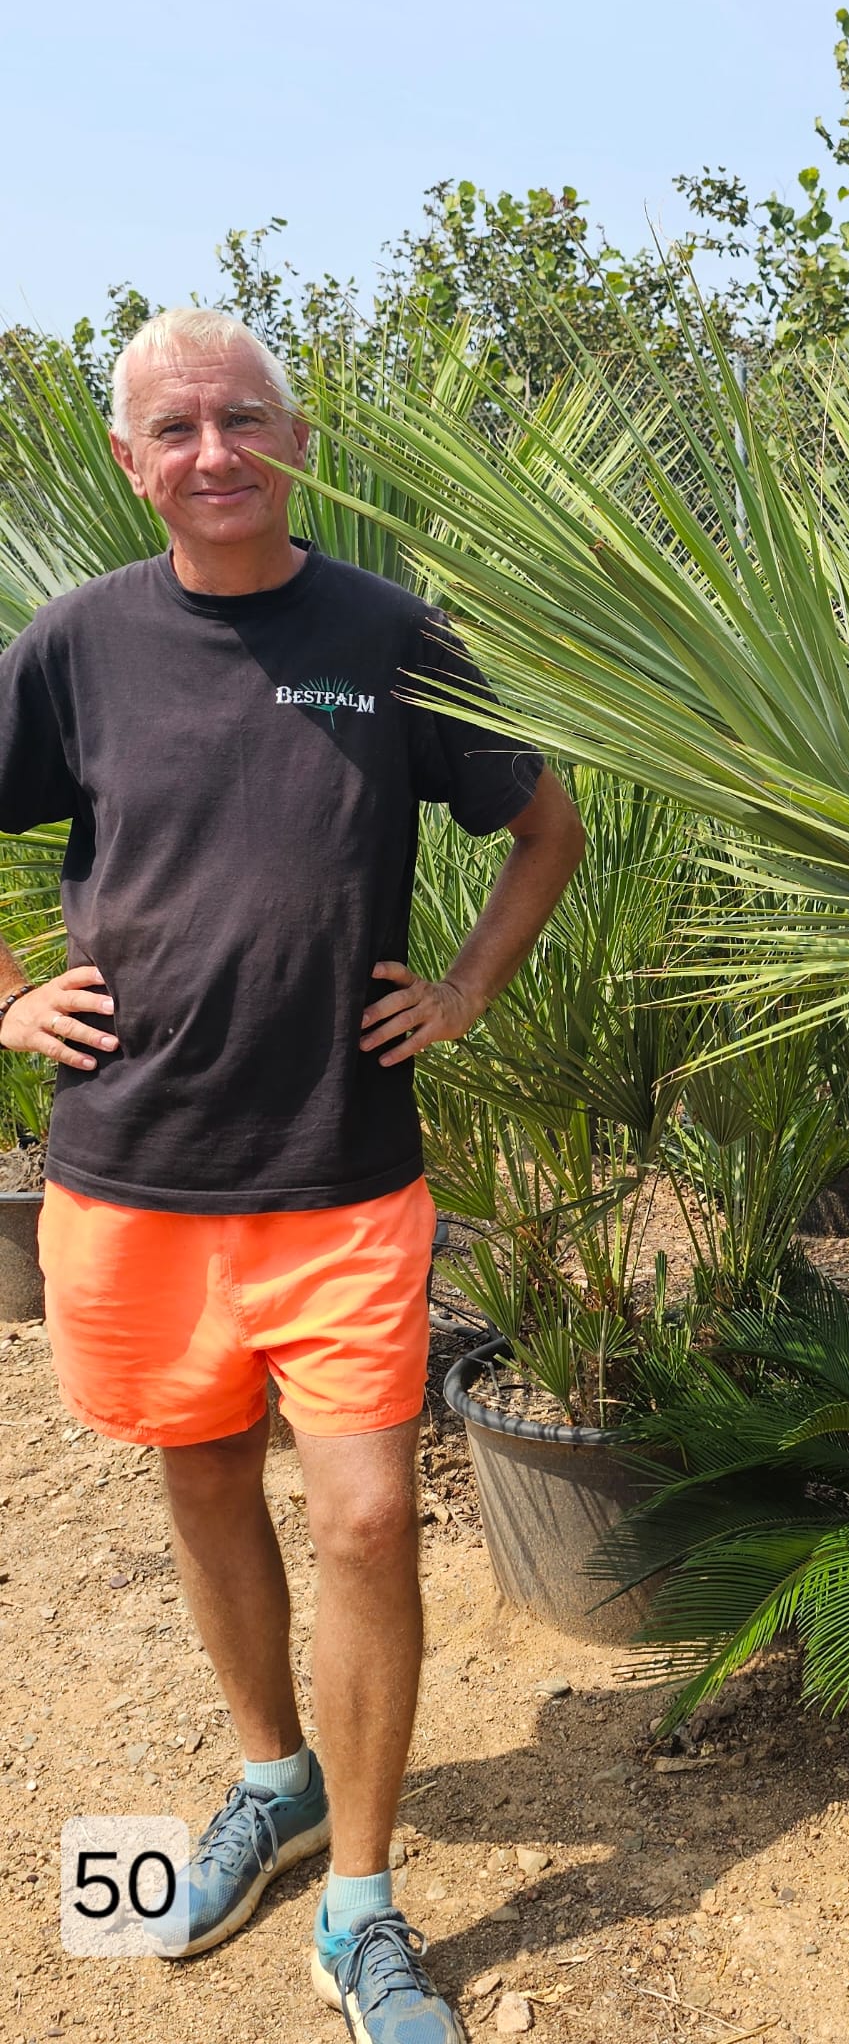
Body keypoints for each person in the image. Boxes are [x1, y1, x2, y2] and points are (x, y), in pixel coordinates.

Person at [0, 308, 585, 2043]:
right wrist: (9, 998)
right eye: (176, 430)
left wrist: (463, 992)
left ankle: (361, 1907)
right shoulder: (76, 644)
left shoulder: (389, 635)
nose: (215, 454)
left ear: (296, 438)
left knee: (369, 1516)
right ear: (132, 463)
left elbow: (544, 827)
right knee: (201, 1488)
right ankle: (274, 1782)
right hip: (132, 1172)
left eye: (243, 419)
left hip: (342, 1166)